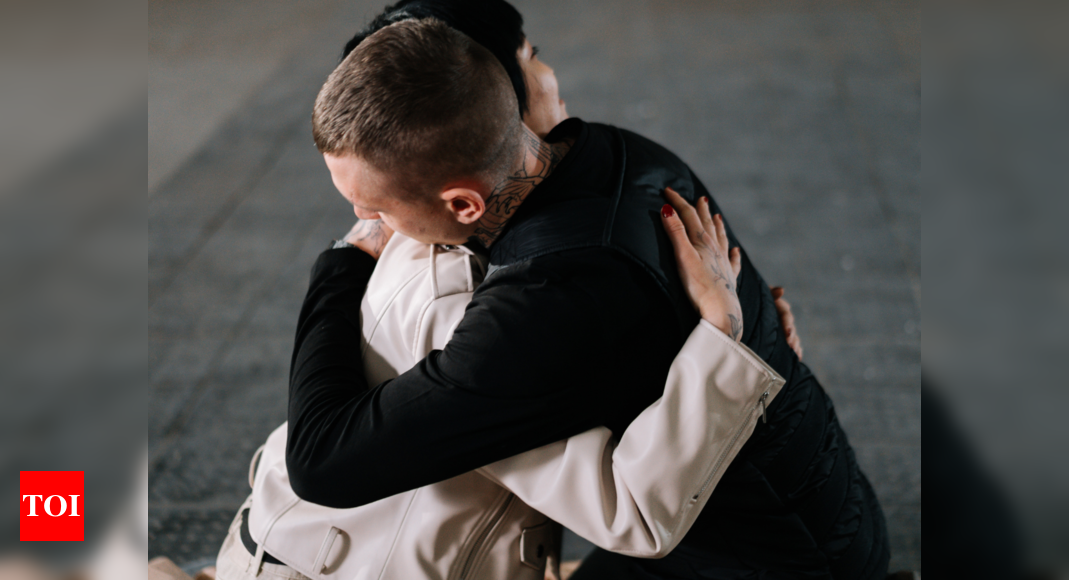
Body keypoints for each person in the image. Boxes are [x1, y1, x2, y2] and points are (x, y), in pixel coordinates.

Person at [291, 2, 888, 578]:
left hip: (770, 557)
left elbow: (323, 462)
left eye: (373, 212)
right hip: (808, 503)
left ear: (465, 203)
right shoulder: (614, 151)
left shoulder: (545, 297)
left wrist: (341, 265)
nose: (368, 225)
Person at [217, 198, 785, 580]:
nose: (554, 87)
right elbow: (632, 511)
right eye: (528, 59)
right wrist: (727, 342)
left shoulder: (419, 243)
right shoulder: (465, 315)